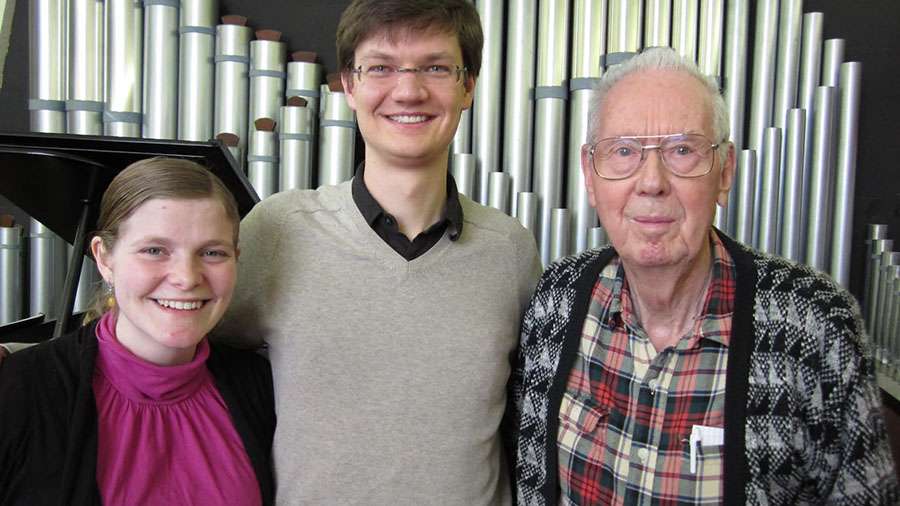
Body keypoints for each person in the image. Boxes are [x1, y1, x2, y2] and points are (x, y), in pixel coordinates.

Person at [508, 47, 899, 505]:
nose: (651, 181)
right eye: (623, 151)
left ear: (725, 171)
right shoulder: (556, 299)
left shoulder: (814, 323)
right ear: (591, 177)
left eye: (682, 150)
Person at [213, 0, 541, 503]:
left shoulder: (510, 249)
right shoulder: (279, 230)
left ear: (468, 86)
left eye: (435, 67)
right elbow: (191, 372)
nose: (408, 91)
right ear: (349, 84)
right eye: (381, 67)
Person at [0, 158, 275, 505]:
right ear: (104, 257)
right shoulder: (19, 389)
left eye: (212, 252)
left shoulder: (262, 387)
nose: (187, 277)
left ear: (236, 259)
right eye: (155, 250)